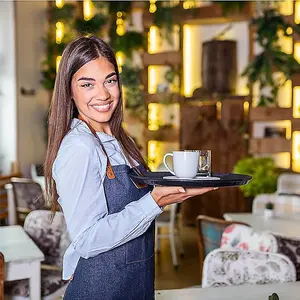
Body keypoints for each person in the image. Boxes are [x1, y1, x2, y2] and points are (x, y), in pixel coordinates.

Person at [44, 36, 216, 300]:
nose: (103, 94)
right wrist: (154, 202)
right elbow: (88, 240)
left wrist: (164, 195)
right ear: (69, 90)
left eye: (110, 81)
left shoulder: (121, 141)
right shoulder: (80, 147)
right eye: (87, 84)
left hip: (136, 285)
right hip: (101, 290)